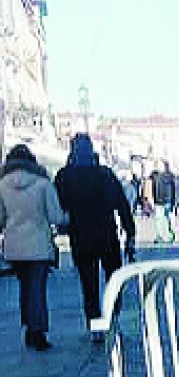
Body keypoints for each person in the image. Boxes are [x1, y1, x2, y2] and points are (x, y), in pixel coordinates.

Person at [53, 134, 136, 340]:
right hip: (106, 234)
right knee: (113, 279)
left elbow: (58, 208)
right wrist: (130, 232)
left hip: (80, 236)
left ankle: (95, 325)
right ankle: (113, 318)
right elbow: (122, 205)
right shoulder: (105, 174)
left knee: (88, 284)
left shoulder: (64, 176)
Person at [0, 144, 68, 351]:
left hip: (14, 246)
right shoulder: (42, 184)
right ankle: (37, 332)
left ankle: (29, 327)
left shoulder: (2, 185)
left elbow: (0, 219)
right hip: (38, 244)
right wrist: (69, 218)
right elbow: (56, 217)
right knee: (37, 288)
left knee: (25, 287)